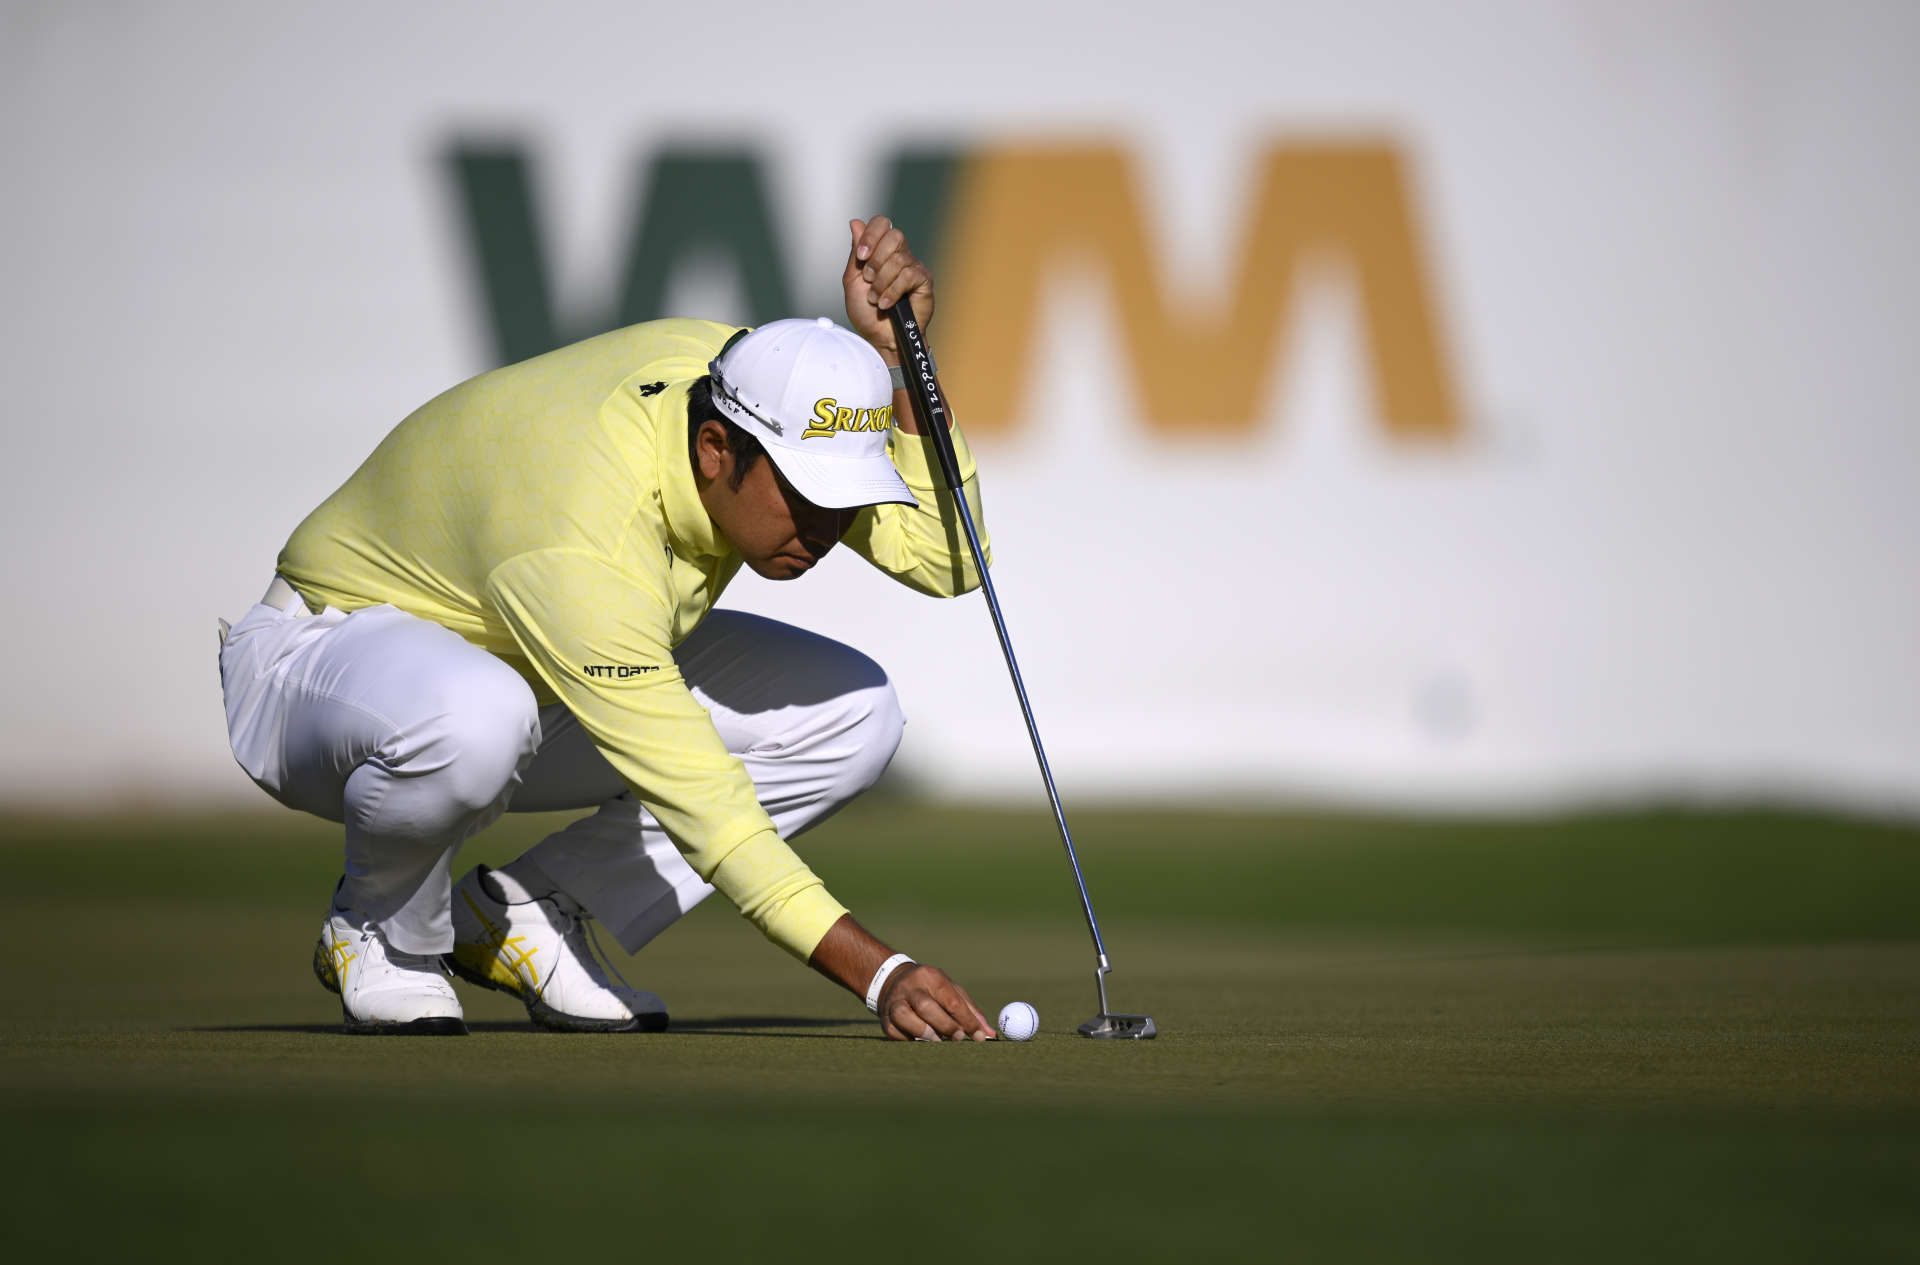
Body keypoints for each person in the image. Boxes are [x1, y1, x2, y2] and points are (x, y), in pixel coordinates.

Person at [218, 216, 998, 1041]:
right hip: (320, 668)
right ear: (713, 449)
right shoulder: (585, 532)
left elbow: (948, 561)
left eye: (844, 500)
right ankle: (376, 924)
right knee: (477, 715)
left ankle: (527, 914)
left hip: (527, 670)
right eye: (806, 493)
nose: (823, 526)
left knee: (856, 715)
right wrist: (879, 972)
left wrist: (901, 364)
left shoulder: (740, 389)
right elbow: (710, 808)